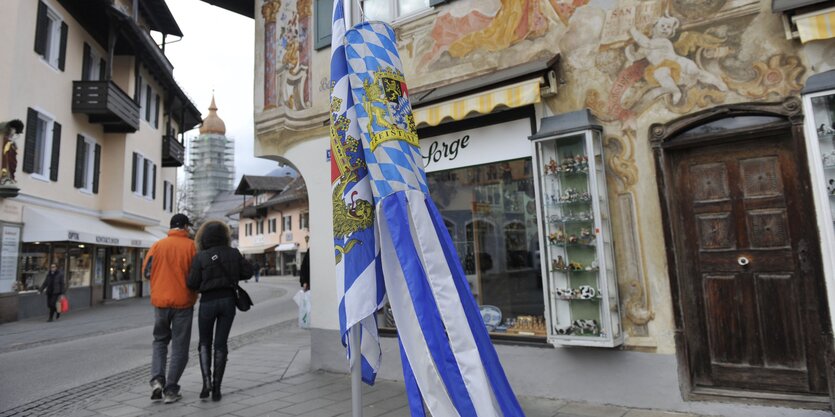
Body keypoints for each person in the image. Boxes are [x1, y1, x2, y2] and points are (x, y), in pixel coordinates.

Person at [187, 220, 253, 401]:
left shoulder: (201, 256)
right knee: (221, 344)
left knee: (204, 343)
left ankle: (206, 382)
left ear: (204, 238)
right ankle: (217, 388)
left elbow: (192, 283)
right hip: (228, 302)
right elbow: (248, 273)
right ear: (225, 237)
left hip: (207, 302)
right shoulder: (233, 253)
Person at [142, 214, 198, 404]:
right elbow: (196, 275)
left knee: (159, 341)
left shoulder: (157, 246)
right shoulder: (191, 246)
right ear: (184, 227)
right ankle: (171, 389)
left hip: (160, 302)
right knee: (180, 347)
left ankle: (157, 380)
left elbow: (147, 272)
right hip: (183, 302)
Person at [0, 119, 23, 184]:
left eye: (15, 131)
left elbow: (13, 153)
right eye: (13, 130)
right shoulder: (5, 141)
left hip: (11, 159)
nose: (13, 133)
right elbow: (5, 153)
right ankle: (5, 176)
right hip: (6, 159)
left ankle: (10, 176)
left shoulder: (11, 142)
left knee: (12, 164)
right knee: (7, 162)